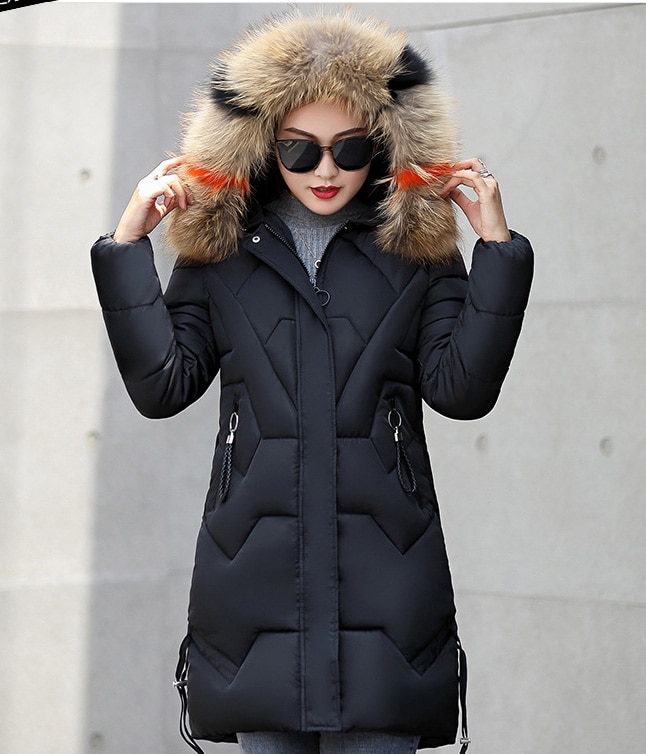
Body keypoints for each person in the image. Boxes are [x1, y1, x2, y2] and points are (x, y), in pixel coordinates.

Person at [91, 12, 533, 754]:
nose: (325, 170)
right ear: (265, 144)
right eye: (299, 148)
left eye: (349, 147)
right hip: (255, 586)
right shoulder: (220, 252)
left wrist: (497, 248)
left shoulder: (418, 250)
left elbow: (462, 390)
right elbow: (163, 385)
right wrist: (127, 246)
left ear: (381, 143)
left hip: (388, 582)